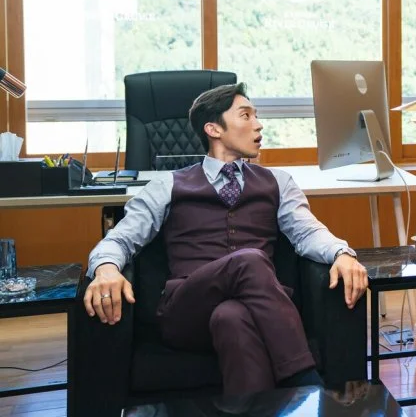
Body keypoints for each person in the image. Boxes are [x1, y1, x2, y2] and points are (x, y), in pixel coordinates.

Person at [83, 82, 368, 394]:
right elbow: (120, 238)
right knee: (249, 260)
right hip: (186, 310)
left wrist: (341, 253)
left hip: (251, 311)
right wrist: (106, 268)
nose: (258, 125)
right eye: (246, 116)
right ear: (213, 129)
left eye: (256, 116)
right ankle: (305, 381)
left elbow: (307, 231)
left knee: (231, 317)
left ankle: (255, 409)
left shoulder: (279, 182)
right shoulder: (167, 185)